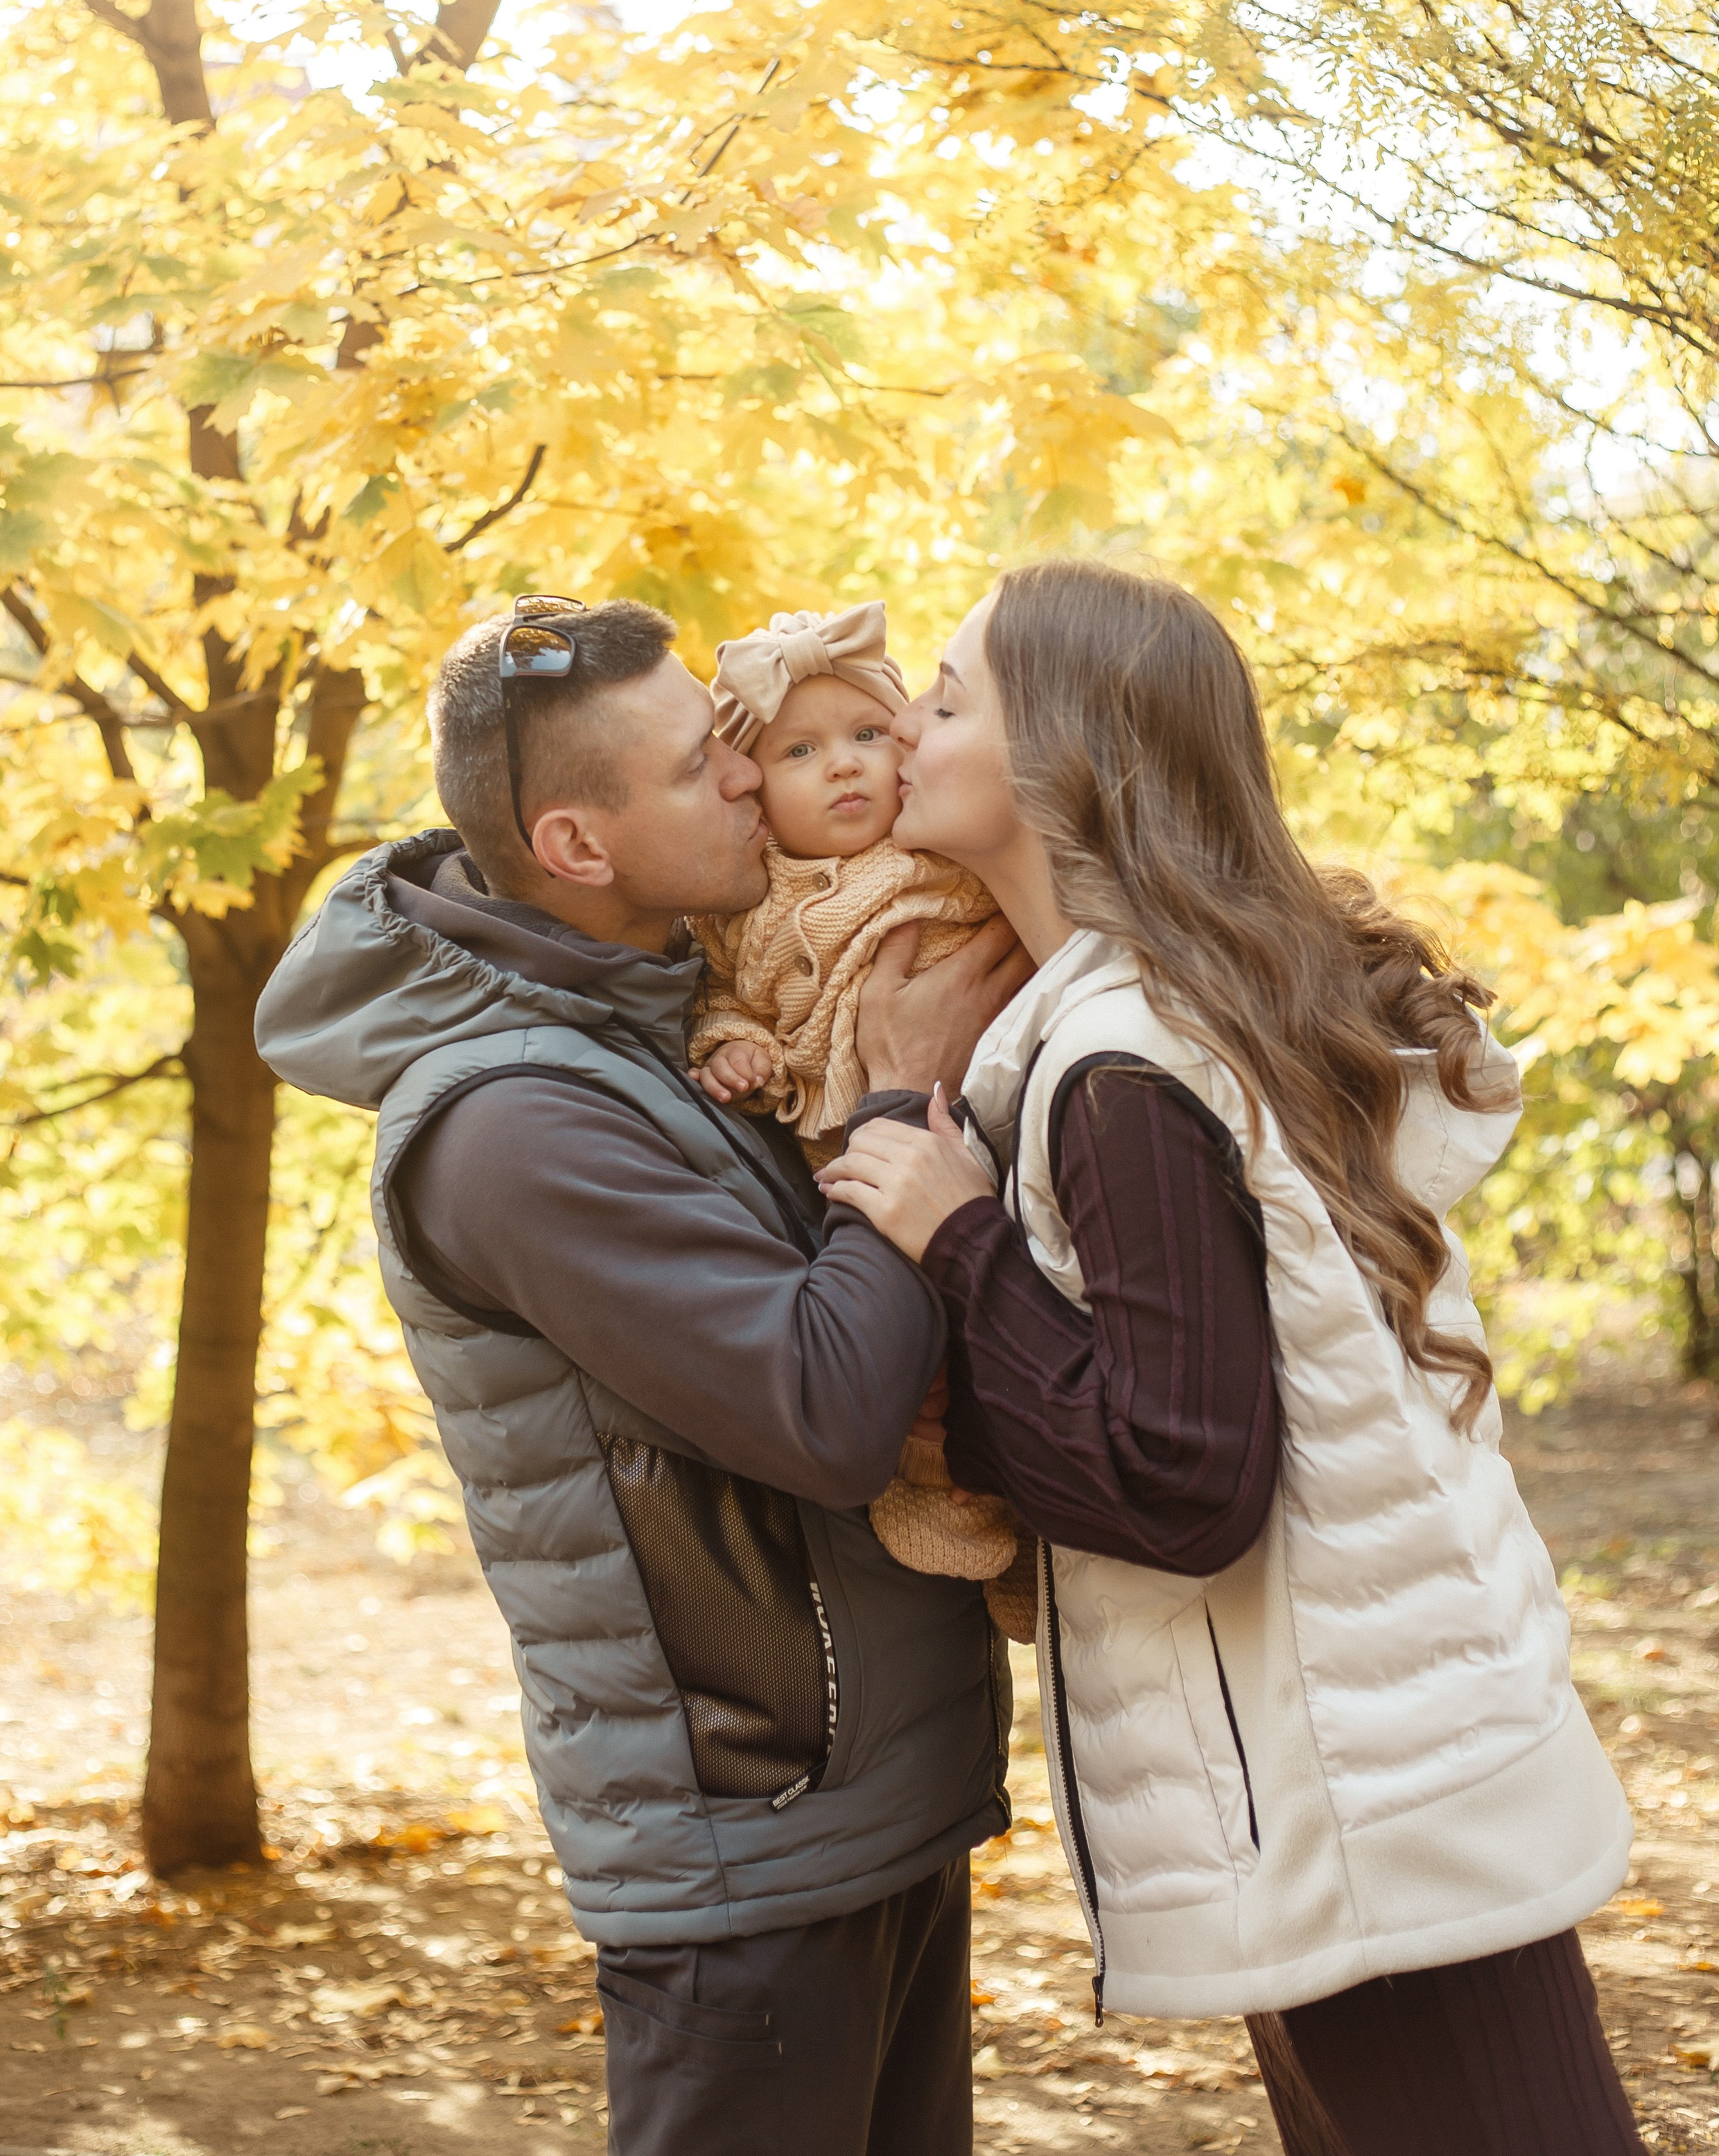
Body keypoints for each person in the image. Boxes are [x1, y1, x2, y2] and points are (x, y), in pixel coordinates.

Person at [818, 557, 1644, 2156]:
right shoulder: (1141, 1022)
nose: (900, 725)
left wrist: (959, 1240)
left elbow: (1179, 1480)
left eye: (946, 691)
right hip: (1358, 1771)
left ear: (1066, 753)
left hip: (1363, 1803)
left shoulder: (1124, 1066)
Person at [254, 595, 1029, 2156]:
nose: (752, 774)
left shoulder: (672, 1022)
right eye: (702, 765)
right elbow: (820, 1411)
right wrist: (902, 1092)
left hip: (868, 1801)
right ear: (579, 845)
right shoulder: (516, 1125)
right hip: (749, 1841)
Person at [688, 599, 1019, 1602]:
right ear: (748, 792)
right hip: (842, 1152)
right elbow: (718, 1001)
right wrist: (734, 1048)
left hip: (969, 1127)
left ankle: (1023, 1517)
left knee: (996, 1324)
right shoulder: (740, 904)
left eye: (868, 736)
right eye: (801, 752)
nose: (844, 765)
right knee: (914, 1364)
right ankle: (947, 1494)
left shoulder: (935, 852)